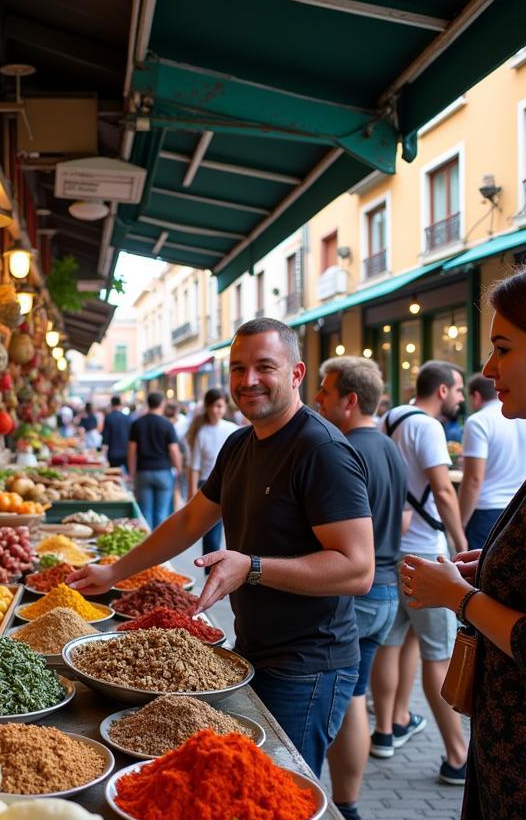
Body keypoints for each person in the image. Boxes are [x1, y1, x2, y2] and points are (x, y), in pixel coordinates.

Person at [71, 319, 374, 776]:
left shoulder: (322, 450)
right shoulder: (239, 445)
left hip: (308, 664)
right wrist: (114, 572)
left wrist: (251, 567)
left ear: (296, 374)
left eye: (264, 367)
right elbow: (192, 519)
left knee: (278, 787)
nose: (248, 381)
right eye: (238, 368)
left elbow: (358, 570)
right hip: (251, 650)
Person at [399, 260, 526, 820]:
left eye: (504, 347)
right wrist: (485, 566)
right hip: (521, 773)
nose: (488, 369)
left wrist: (458, 596)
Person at [314, 357, 407, 820]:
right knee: (358, 695)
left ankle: (344, 814)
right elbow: (404, 522)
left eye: (326, 393)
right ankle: (351, 811)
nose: (318, 400)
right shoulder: (391, 449)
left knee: (347, 700)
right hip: (388, 591)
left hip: (360, 594)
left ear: (350, 401)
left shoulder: (345, 450)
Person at [371, 361, 469, 785]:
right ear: (443, 390)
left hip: (392, 551)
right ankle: (457, 755)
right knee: (438, 653)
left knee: (394, 643)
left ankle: (386, 730)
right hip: (426, 556)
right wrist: (460, 541)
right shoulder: (428, 428)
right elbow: (444, 489)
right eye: (460, 390)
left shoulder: (389, 418)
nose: (462, 398)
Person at [458, 372, 526, 549]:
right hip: (524, 509)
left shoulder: (478, 421)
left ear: (476, 396)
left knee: (477, 573)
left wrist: (459, 524)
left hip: (486, 513)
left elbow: (474, 480)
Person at [187, 388, 239, 558]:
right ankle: (211, 570)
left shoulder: (233, 429)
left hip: (231, 484)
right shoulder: (201, 432)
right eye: (215, 406)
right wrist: (191, 492)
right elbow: (194, 466)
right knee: (210, 534)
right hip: (207, 485)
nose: (218, 410)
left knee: (234, 530)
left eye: (221, 406)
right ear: (208, 407)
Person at [126, 392, 181, 528]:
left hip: (143, 471)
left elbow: (132, 451)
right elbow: (174, 450)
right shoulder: (167, 424)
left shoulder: (137, 424)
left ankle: (146, 545)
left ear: (148, 404)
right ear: (162, 404)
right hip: (163, 472)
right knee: (161, 513)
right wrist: (178, 469)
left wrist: (132, 473)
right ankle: (160, 547)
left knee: (145, 514)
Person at [100, 396, 131, 470]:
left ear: (111, 404)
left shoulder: (109, 417)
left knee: (114, 474)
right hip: (126, 451)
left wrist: (103, 453)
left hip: (113, 452)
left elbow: (106, 437)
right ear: (121, 404)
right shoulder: (127, 418)